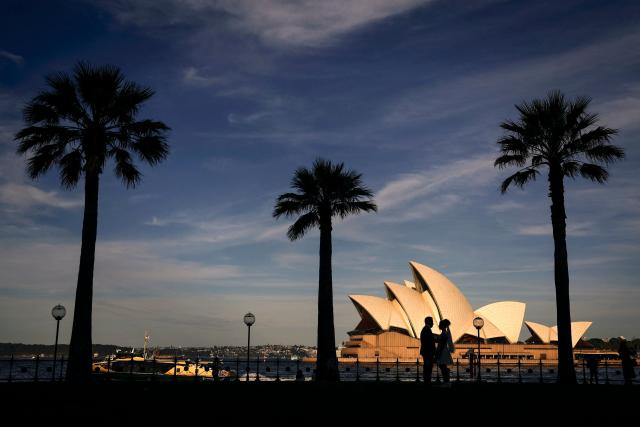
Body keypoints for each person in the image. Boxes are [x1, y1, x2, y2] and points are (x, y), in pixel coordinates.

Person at [435, 319, 454, 383]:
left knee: (443, 368)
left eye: (440, 324)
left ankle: (446, 381)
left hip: (443, 352)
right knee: (444, 368)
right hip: (444, 351)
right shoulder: (445, 333)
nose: (439, 325)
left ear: (443, 326)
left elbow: (442, 345)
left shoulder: (444, 334)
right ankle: (446, 381)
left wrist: (438, 353)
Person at [419, 316, 436, 385]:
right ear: (429, 322)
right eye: (432, 322)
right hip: (427, 352)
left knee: (427, 366)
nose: (433, 323)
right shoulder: (426, 329)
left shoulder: (426, 329)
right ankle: (427, 381)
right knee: (428, 366)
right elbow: (428, 342)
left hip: (426, 351)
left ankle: (427, 380)